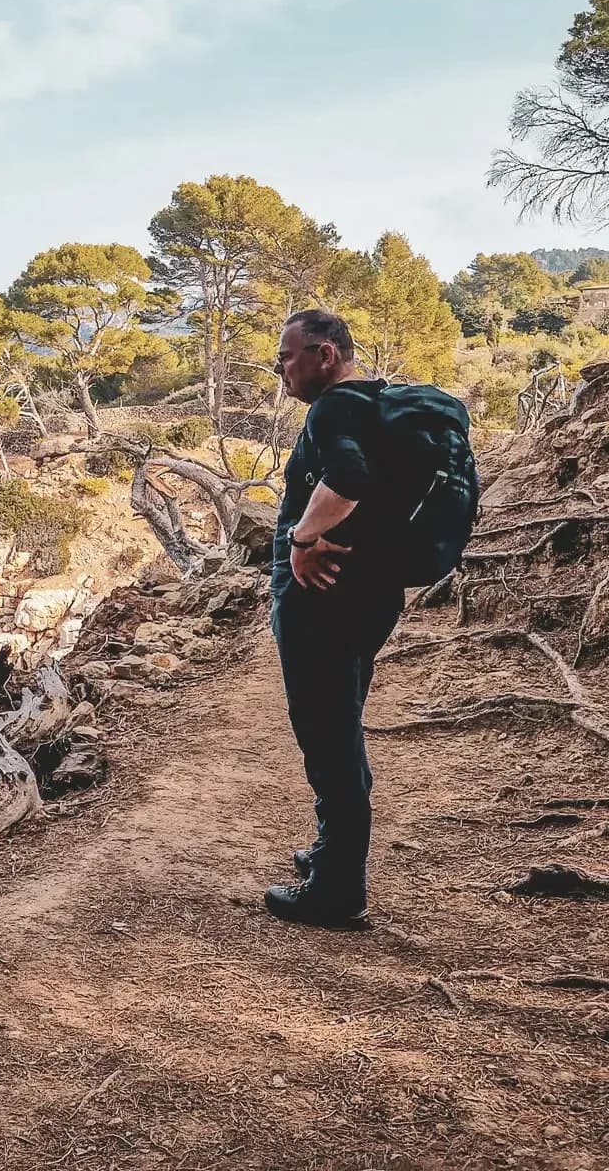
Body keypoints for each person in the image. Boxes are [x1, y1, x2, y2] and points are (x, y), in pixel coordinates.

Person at [262, 308, 406, 928]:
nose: (281, 370)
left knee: (327, 737)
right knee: (338, 725)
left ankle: (338, 890)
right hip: (368, 594)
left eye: (287, 357)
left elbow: (348, 478)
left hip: (325, 600)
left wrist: (300, 540)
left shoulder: (334, 408)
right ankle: (332, 852)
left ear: (325, 356)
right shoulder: (376, 405)